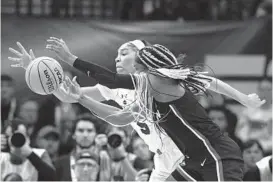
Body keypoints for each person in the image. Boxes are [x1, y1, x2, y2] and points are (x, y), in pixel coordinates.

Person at [47, 40, 265, 181]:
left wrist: (69, 59)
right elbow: (120, 117)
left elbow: (112, 80)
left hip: (216, 154)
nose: (119, 59)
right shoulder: (150, 91)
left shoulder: (156, 81)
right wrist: (81, 98)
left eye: (127, 55)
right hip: (192, 160)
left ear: (145, 62)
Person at [8, 40, 185, 181]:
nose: (117, 58)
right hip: (161, 156)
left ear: (142, 58)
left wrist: (81, 97)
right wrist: (36, 72)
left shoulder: (151, 84)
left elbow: (121, 118)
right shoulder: (116, 88)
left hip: (180, 151)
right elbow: (68, 96)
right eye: (116, 54)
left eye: (124, 53)